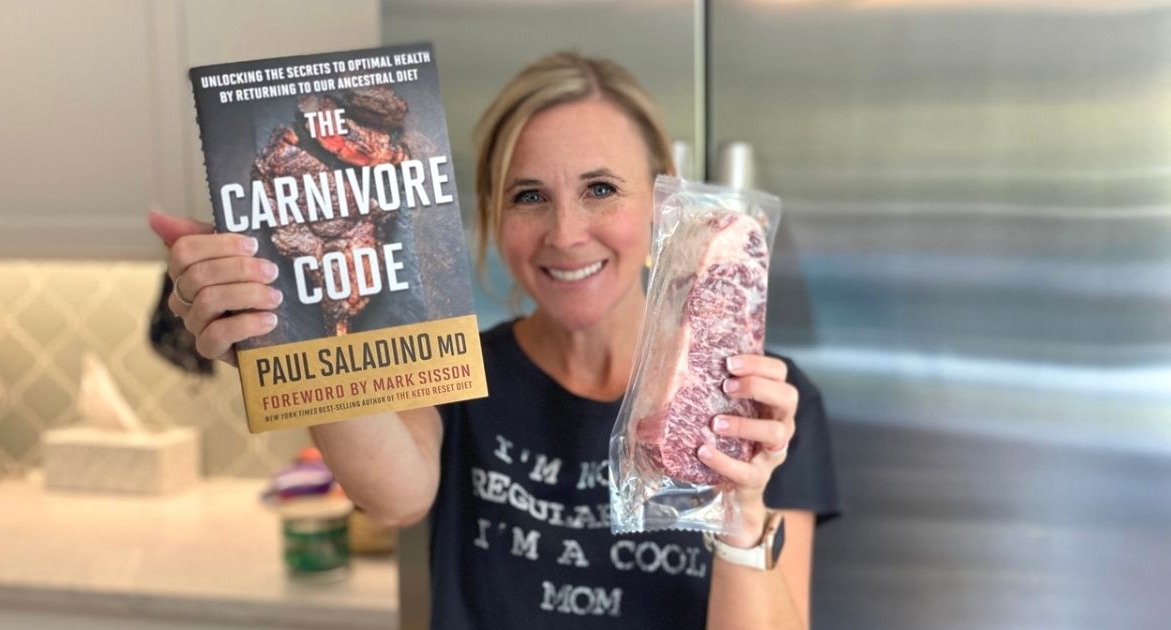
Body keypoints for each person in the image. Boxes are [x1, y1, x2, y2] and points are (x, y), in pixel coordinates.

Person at [150, 51, 840, 629]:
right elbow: (397, 497)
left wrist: (743, 509)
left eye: (600, 188)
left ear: (663, 205)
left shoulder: (761, 405)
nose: (566, 233)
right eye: (529, 195)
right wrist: (283, 311)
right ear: (490, 214)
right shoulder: (457, 372)